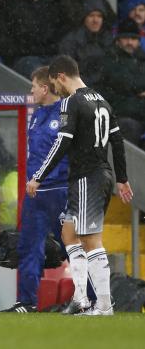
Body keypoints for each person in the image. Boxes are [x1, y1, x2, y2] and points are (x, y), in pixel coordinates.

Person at [27, 55, 134, 315]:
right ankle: (81, 299)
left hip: (88, 176)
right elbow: (117, 142)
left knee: (90, 239)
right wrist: (121, 178)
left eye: (55, 83)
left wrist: (38, 176)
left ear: (61, 76)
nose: (56, 89)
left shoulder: (71, 102)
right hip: (97, 174)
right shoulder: (102, 101)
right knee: (68, 234)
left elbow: (61, 143)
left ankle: (105, 305)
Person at [2, 66, 68, 313]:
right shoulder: (37, 115)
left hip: (59, 190)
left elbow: (65, 153)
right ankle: (26, 302)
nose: (31, 91)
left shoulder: (65, 113)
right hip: (35, 194)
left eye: (33, 87)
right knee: (28, 246)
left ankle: (91, 300)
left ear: (44, 87)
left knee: (72, 248)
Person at [0, 0, 62, 76]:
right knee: (41, 75)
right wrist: (24, 51)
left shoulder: (47, 8)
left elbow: (55, 39)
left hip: (47, 57)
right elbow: (2, 41)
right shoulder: (9, 7)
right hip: (22, 59)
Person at [96, 19, 145, 146]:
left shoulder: (142, 60)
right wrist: (137, 93)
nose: (130, 42)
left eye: (133, 39)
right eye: (126, 38)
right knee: (129, 126)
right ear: (118, 40)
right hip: (121, 115)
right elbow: (122, 86)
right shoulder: (108, 61)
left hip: (137, 112)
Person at [58, 0, 113, 87]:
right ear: (84, 18)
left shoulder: (109, 39)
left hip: (106, 88)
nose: (95, 20)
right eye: (91, 15)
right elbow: (68, 73)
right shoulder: (71, 40)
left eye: (99, 16)